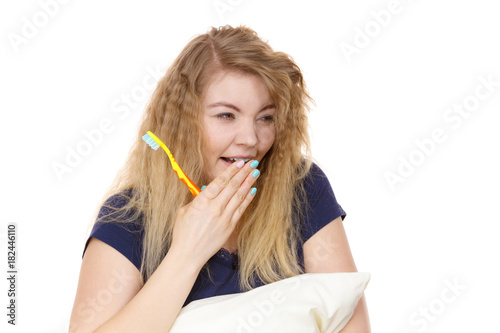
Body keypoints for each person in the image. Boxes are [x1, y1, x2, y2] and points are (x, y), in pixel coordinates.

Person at [69, 25, 371, 332]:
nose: (251, 139)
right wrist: (188, 253)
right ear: (181, 122)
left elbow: (349, 322)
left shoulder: (304, 188)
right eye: (227, 115)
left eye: (266, 117)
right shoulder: (128, 219)